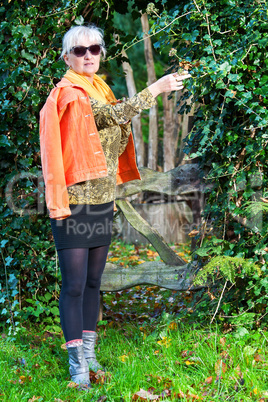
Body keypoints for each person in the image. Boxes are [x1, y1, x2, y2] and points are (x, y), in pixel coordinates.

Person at [39, 24, 190, 388]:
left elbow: (113, 120)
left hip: (103, 200)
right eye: (79, 50)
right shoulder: (70, 94)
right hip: (75, 203)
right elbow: (110, 117)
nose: (88, 55)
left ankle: (90, 357)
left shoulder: (100, 88)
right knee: (74, 285)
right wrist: (154, 89)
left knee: (93, 283)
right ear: (66, 57)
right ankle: (77, 368)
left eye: (94, 48)